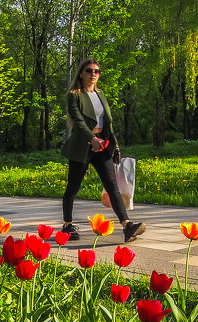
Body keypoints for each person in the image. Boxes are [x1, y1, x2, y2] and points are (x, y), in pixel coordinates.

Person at [59, 58, 144, 242]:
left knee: (113, 187)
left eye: (97, 71)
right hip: (82, 146)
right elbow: (79, 122)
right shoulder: (74, 95)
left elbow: (108, 124)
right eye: (89, 71)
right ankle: (67, 225)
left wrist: (115, 146)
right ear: (81, 73)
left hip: (103, 146)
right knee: (73, 187)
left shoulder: (100, 94)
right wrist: (92, 138)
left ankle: (127, 226)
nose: (93, 74)